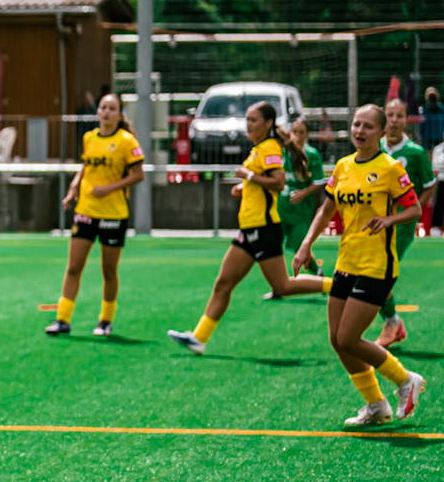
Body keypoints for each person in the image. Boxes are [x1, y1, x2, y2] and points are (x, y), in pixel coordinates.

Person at [292, 104, 425, 426]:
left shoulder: (391, 168)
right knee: (337, 340)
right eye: (356, 125)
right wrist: (306, 244)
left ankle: (406, 379)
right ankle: (376, 405)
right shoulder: (343, 166)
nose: (359, 131)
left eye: (367, 126)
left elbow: (415, 209)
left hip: (377, 265)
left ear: (380, 133)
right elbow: (326, 211)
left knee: (350, 338)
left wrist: (389, 219)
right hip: (346, 261)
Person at [168, 100, 330, 354]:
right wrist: (244, 188)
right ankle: (198, 338)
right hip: (249, 228)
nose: (249, 124)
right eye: (247, 119)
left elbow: (277, 183)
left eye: (254, 120)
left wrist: (249, 177)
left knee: (283, 286)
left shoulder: (269, 148)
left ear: (268, 124)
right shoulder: (259, 148)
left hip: (264, 228)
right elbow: (262, 182)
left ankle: (337, 286)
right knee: (223, 283)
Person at [48, 92, 143, 338]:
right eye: (103, 107)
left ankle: (105, 320)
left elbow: (138, 175)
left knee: (108, 271)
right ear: (97, 111)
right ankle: (63, 319)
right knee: (73, 267)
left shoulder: (126, 141)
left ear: (119, 114)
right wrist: (74, 187)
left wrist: (109, 188)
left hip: (113, 214)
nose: (106, 112)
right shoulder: (89, 138)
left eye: (112, 108)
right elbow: (86, 165)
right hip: (86, 210)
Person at [374, 98, 435, 345]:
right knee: (371, 275)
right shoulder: (373, 147)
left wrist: (412, 210)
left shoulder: (415, 153)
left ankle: (391, 323)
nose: (394, 120)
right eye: (390, 115)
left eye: (400, 115)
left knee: (380, 275)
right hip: (374, 223)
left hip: (400, 227)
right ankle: (392, 323)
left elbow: (430, 186)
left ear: (406, 120)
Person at [268, 115, 327, 290]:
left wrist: (304, 193)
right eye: (294, 132)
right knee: (273, 248)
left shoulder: (311, 154)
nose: (297, 136)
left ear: (307, 134)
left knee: (300, 247)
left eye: (301, 132)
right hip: (280, 208)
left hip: (301, 211)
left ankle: (318, 273)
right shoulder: (283, 152)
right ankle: (277, 286)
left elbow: (318, 182)